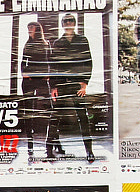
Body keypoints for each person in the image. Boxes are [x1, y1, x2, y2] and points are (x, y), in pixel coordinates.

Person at [48, 14, 96, 160]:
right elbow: (53, 65)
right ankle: (49, 150)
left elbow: (88, 61)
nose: (68, 23)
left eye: (71, 21)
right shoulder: (57, 42)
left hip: (77, 84)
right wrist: (53, 86)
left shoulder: (82, 40)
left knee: (83, 117)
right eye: (66, 21)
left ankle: (89, 151)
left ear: (74, 24)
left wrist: (85, 82)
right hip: (61, 84)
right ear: (62, 24)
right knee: (55, 117)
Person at [20, 21, 52, 161]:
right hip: (28, 80)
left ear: (37, 29)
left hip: (42, 80)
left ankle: (50, 145)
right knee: (28, 112)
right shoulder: (27, 44)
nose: (29, 30)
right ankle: (30, 146)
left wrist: (48, 74)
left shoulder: (46, 44)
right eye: (28, 28)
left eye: (31, 28)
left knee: (49, 110)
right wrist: (23, 73)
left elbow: (50, 61)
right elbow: (23, 61)